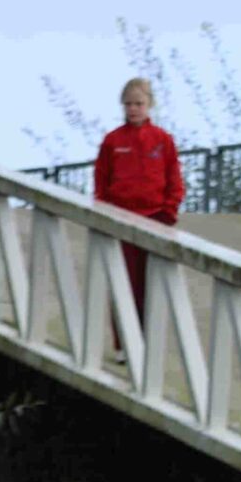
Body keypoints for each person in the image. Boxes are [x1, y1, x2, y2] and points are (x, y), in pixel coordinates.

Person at [92, 77, 185, 333]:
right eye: (128, 104)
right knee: (123, 281)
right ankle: (124, 341)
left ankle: (148, 338)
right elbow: (101, 180)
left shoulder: (162, 139)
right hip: (121, 217)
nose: (133, 109)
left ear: (149, 104)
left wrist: (169, 210)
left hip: (155, 217)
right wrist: (104, 211)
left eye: (139, 103)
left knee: (152, 282)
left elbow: (174, 178)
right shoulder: (112, 140)